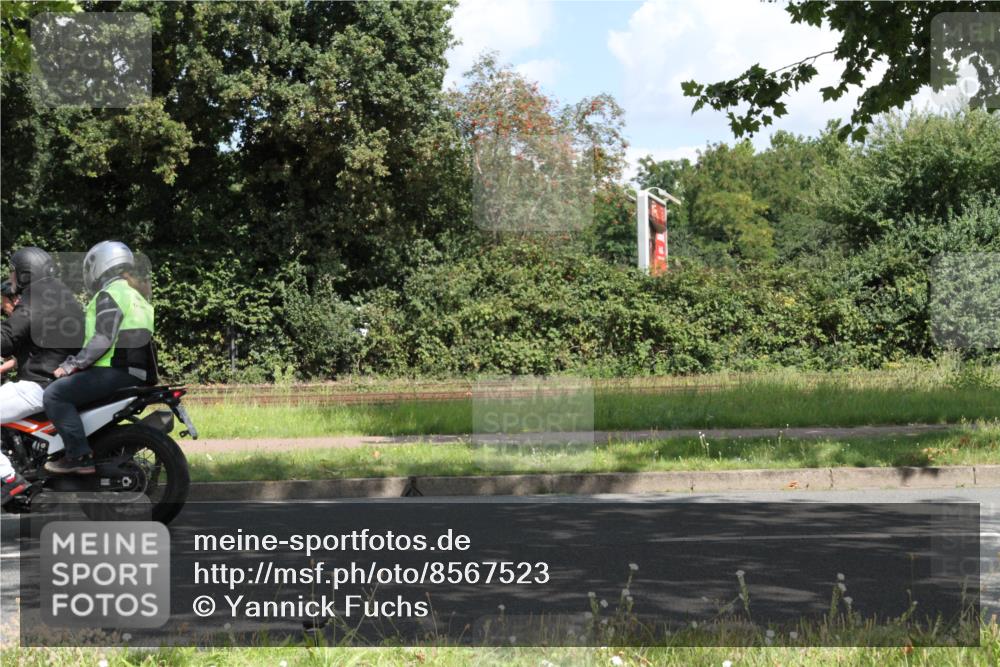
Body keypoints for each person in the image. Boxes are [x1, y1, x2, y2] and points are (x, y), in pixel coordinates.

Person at [43, 241, 156, 475]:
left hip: (112, 371)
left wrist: (72, 365)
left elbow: (104, 337)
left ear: (99, 265)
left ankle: (78, 456)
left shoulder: (110, 294)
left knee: (55, 395)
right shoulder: (136, 296)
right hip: (137, 372)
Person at [1, 248, 85, 505]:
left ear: (26, 273)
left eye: (14, 272)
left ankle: (7, 479)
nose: (11, 277)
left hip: (39, 383)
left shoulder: (35, 299)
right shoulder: (59, 294)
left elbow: (9, 334)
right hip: (60, 378)